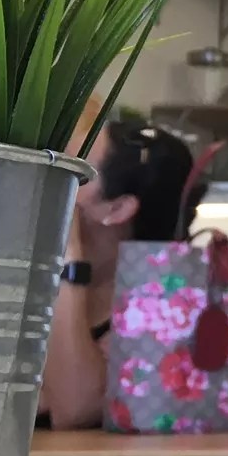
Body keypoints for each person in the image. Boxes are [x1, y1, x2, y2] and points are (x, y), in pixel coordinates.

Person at [40, 121, 202, 430]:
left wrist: (67, 258)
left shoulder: (154, 314)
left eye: (74, 174)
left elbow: (74, 409)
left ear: (116, 209)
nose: (49, 180)